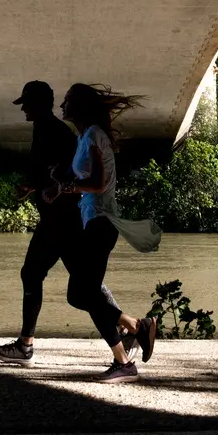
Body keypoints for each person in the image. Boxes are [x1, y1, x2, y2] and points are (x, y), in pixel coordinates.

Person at [0, 81, 136, 366]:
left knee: (61, 282)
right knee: (81, 286)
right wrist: (34, 186)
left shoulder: (61, 132)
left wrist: (62, 189)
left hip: (65, 222)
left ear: (42, 102)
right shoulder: (51, 131)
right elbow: (63, 172)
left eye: (27, 103)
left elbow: (84, 178)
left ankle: (27, 346)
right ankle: (130, 327)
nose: (24, 110)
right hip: (62, 220)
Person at [45, 83, 162, 384]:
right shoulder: (85, 136)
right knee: (88, 292)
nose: (62, 105)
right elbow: (84, 177)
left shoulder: (95, 134)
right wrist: (58, 182)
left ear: (81, 107)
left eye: (68, 100)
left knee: (80, 293)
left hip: (101, 224)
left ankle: (129, 348)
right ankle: (134, 332)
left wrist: (67, 187)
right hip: (92, 223)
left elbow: (98, 184)